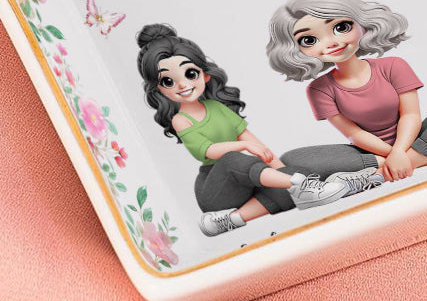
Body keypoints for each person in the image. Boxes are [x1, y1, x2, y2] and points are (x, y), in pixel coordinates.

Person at [136, 23, 353, 237]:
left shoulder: (217, 107)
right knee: (233, 159)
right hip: (216, 189)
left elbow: (252, 140)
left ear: (205, 75)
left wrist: (283, 171)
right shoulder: (181, 120)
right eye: (168, 81)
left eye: (190, 74)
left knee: (290, 176)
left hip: (246, 180)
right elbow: (207, 151)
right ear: (158, 89)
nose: (183, 85)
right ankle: (301, 185)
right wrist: (245, 146)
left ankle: (229, 220)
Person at [266, 0, 427, 183]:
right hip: (369, 153)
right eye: (309, 40)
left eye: (341, 27)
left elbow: (411, 115)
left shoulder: (393, 66)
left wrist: (401, 152)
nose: (331, 42)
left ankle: (384, 173)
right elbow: (353, 133)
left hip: (417, 138)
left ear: (362, 23)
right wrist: (393, 156)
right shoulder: (319, 89)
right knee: (291, 161)